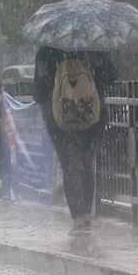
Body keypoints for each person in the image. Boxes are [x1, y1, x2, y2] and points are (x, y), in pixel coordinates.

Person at [34, 46, 117, 234]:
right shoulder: (94, 46)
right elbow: (112, 75)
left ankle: (78, 217)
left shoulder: (47, 49)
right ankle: (87, 214)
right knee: (88, 162)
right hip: (92, 116)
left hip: (60, 119)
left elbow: (39, 90)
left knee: (70, 164)